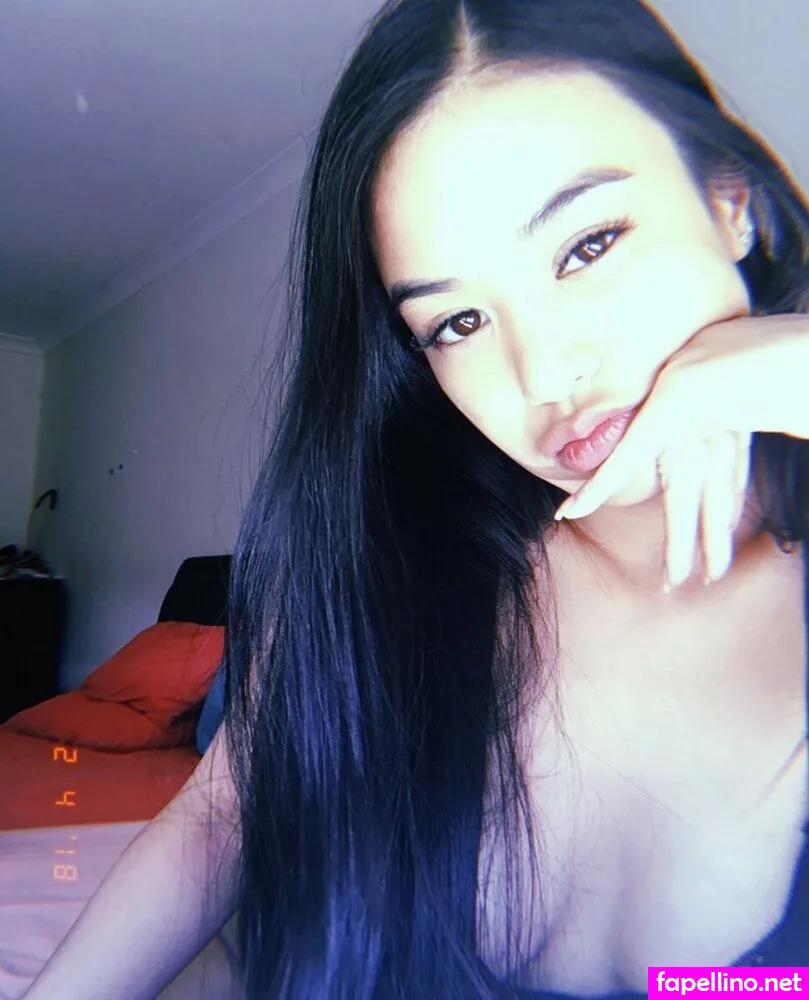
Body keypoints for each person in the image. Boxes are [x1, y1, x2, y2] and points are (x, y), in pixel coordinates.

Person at [23, 0, 809, 998]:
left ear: (732, 204)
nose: (543, 373)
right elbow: (224, 817)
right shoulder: (395, 573)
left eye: (587, 245)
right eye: (458, 322)